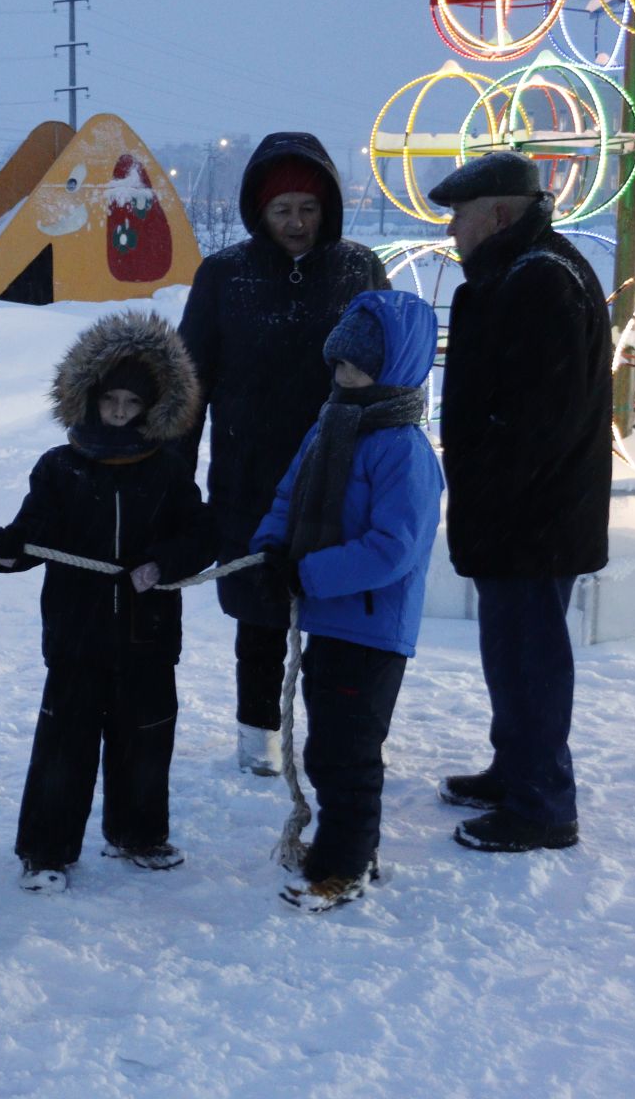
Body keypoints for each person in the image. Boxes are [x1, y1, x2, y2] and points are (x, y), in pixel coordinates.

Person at [176, 133, 389, 775]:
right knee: (260, 607)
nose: (297, 224)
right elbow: (190, 382)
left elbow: (394, 367)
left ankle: (334, 731)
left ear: (327, 208)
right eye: (282, 211)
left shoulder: (358, 269)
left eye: (308, 209)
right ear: (258, 213)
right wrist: (176, 480)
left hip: (340, 471)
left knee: (337, 607)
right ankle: (258, 732)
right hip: (250, 471)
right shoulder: (224, 276)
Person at [0, 309, 214, 894]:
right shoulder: (60, 468)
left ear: (152, 407)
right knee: (64, 745)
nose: (117, 412)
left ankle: (138, 834)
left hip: (149, 635)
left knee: (145, 741)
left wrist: (164, 563)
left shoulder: (167, 469)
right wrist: (11, 550)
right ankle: (46, 849)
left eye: (130, 404)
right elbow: (34, 532)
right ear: (88, 399)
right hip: (76, 637)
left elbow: (201, 535)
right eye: (109, 399)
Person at [430, 151, 610, 854]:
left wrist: (494, 489)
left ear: (499, 213)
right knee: (510, 651)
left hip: (535, 516)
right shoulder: (525, 270)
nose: (452, 233)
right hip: (525, 510)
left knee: (531, 657)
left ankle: (542, 804)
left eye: (461, 217)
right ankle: (516, 772)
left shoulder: (539, 281)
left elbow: (539, 416)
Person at [249, 290, 444, 911]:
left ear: (396, 366)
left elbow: (394, 548)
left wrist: (312, 574)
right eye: (339, 364)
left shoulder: (404, 451)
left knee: (345, 755)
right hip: (330, 620)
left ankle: (342, 866)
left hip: (371, 627)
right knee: (328, 745)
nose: (344, 376)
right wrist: (271, 550)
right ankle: (356, 846)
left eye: (359, 365)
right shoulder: (330, 424)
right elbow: (290, 497)